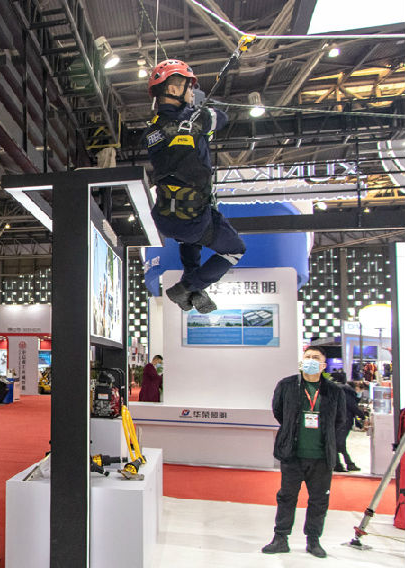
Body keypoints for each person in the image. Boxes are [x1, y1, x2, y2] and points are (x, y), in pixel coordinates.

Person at [144, 59, 245, 313]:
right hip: (194, 218)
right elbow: (222, 117)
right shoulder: (199, 119)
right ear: (174, 89)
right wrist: (201, 110)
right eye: (189, 87)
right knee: (234, 250)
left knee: (190, 240)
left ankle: (195, 288)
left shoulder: (151, 132)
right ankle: (188, 286)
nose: (192, 92)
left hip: (167, 217)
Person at [262, 346, 345, 558]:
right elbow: (279, 412)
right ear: (301, 361)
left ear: (324, 365)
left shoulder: (335, 391)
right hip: (292, 454)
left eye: (315, 357)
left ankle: (313, 540)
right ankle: (280, 538)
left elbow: (340, 420)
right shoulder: (287, 385)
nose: (311, 360)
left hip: (321, 457)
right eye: (307, 357)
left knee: (319, 500)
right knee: (286, 497)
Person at [335, 381, 367, 472]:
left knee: (338, 443)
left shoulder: (342, 390)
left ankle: (341, 464)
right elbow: (353, 407)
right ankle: (345, 464)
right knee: (340, 443)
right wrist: (363, 417)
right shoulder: (348, 393)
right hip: (344, 421)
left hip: (338, 420)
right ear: (357, 388)